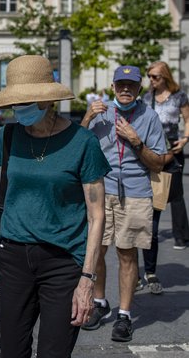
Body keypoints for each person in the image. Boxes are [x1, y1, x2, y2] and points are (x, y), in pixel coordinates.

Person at [0, 55, 110, 358]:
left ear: (46, 100)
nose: (19, 109)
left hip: (63, 262)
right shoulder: (9, 135)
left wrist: (87, 280)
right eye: (15, 102)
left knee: (54, 352)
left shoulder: (82, 142)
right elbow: (7, 197)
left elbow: (97, 217)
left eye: (26, 101)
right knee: (11, 351)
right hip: (14, 257)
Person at [80, 65, 167, 342]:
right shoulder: (101, 112)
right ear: (114, 86)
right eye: (121, 85)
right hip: (101, 191)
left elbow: (159, 162)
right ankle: (101, 302)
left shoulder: (149, 116)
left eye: (131, 85)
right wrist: (85, 118)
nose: (125, 89)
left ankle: (125, 315)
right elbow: (78, 148)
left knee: (127, 254)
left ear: (139, 88)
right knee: (98, 249)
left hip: (135, 192)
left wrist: (136, 141)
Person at [143, 61, 189, 251]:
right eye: (150, 76)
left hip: (173, 146)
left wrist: (185, 139)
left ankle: (182, 236)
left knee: (176, 193)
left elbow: (187, 119)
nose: (152, 80)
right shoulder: (147, 98)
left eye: (156, 76)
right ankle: (151, 232)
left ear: (165, 77)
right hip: (153, 147)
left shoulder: (179, 96)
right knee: (155, 192)